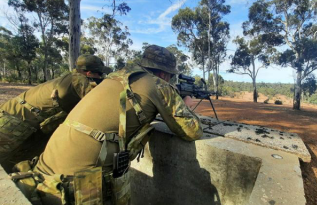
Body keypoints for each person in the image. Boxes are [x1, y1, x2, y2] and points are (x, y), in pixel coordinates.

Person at [10, 45, 203, 205]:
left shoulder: (115, 77)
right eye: (170, 77)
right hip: (73, 187)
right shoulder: (159, 85)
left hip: (42, 174)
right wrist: (186, 105)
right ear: (163, 73)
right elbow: (192, 131)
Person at [0, 54, 109, 171]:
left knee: (17, 160)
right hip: (14, 119)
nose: (102, 77)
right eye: (100, 74)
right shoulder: (78, 80)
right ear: (88, 73)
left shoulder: (70, 79)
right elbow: (102, 100)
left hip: (24, 121)